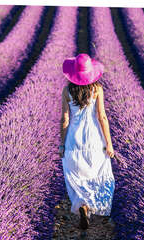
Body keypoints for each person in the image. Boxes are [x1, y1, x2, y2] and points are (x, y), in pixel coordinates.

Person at [59, 53, 116, 230]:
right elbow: (102, 117)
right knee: (96, 173)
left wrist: (62, 143)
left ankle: (83, 206)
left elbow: (65, 119)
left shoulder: (67, 91)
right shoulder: (97, 89)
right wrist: (109, 143)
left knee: (77, 175)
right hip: (94, 138)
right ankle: (90, 206)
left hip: (74, 139)